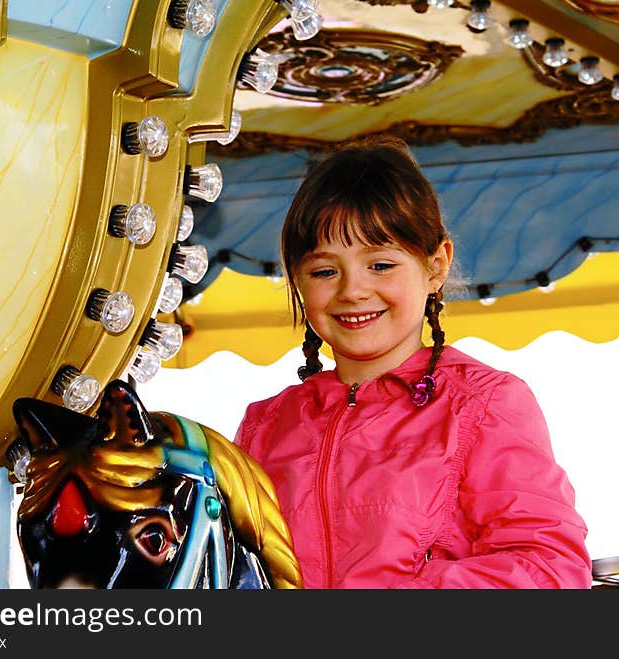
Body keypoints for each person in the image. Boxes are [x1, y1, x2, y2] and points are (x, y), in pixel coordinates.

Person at [233, 136, 592, 589]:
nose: (353, 290)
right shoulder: (265, 425)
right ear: (297, 279)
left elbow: (549, 570)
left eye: (380, 265)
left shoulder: (483, 403)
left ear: (435, 266)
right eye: (325, 271)